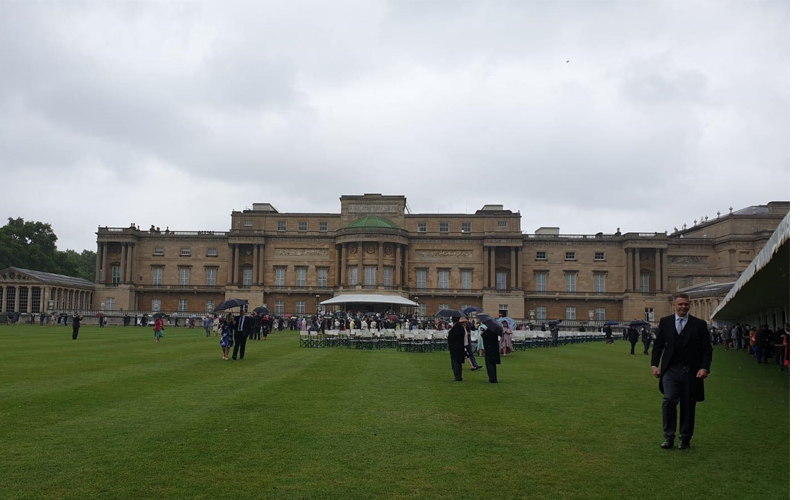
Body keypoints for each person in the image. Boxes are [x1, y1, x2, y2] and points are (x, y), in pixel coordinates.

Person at [651, 293, 713, 450]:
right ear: (674, 305)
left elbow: (707, 349)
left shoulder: (699, 324)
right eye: (680, 304)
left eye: (686, 304)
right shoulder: (665, 322)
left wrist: (704, 367)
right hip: (670, 369)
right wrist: (654, 365)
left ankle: (685, 438)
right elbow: (658, 346)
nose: (683, 307)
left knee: (688, 404)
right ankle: (668, 436)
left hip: (690, 370)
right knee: (669, 399)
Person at [447, 316, 468, 381]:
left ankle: (458, 376)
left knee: (456, 362)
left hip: (455, 347)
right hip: (459, 346)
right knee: (458, 362)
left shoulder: (456, 327)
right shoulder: (460, 327)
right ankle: (458, 376)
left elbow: (454, 337)